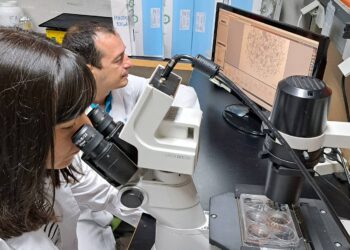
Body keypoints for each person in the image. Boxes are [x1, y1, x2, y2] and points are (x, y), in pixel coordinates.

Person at [62, 22, 201, 250]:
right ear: (88, 70)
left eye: (125, 53)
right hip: (86, 215)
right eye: (118, 60)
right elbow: (102, 191)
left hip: (129, 201)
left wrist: (154, 140)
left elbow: (186, 95)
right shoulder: (66, 122)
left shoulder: (120, 88)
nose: (129, 63)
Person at [0, 28, 127, 250]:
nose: (85, 130)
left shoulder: (50, 164)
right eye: (68, 125)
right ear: (15, 134)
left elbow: (113, 196)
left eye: (85, 112)